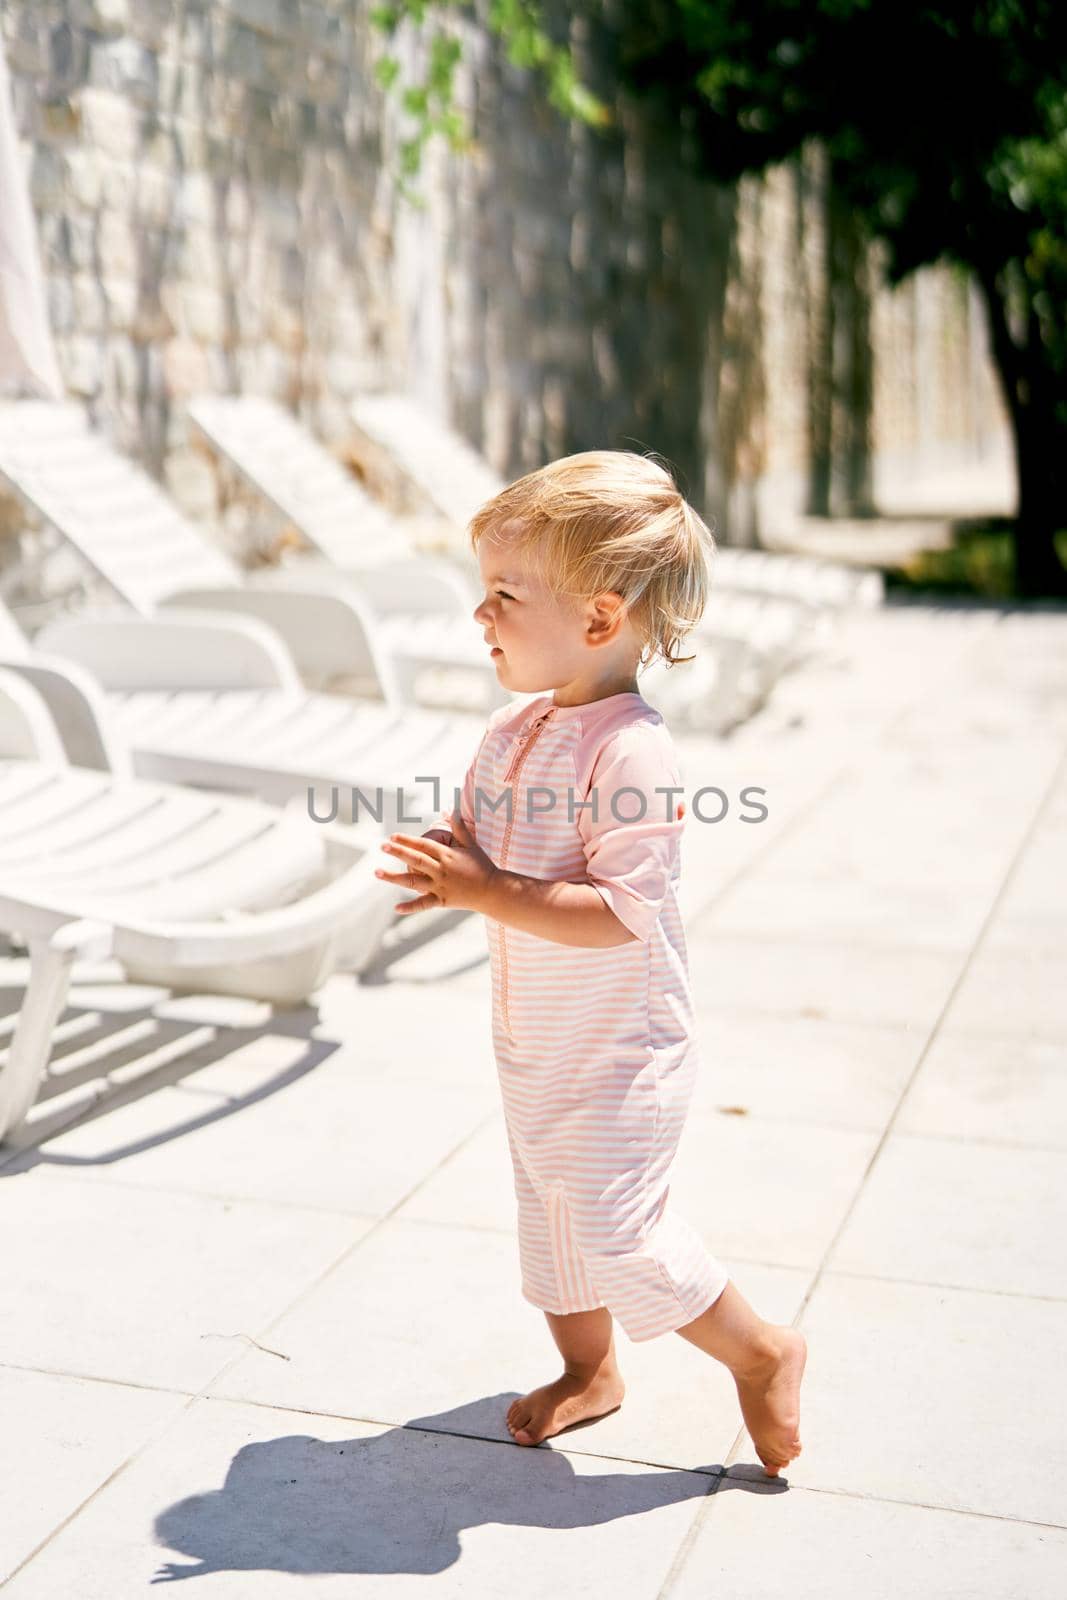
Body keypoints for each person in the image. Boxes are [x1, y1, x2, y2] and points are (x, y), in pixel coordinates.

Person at [374, 450, 806, 1475]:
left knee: (616, 1227)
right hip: (535, 1037)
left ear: (601, 621)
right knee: (551, 1215)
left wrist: (482, 890)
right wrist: (452, 858)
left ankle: (760, 1350)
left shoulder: (632, 752)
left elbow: (619, 912)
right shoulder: (511, 728)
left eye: (504, 595)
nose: (482, 615)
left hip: (622, 1048)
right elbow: (482, 833)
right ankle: (589, 1372)